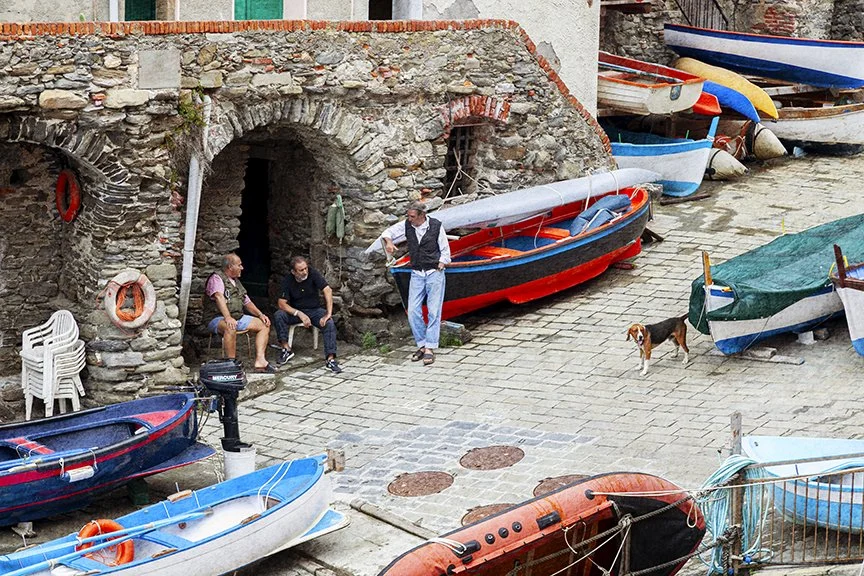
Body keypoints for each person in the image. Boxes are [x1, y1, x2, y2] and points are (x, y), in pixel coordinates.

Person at [381, 200, 451, 366]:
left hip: (434, 272)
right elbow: (387, 232)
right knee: (412, 310)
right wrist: (389, 242)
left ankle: (430, 347)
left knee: (434, 311)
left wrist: (441, 263)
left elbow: (445, 250)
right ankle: (422, 343)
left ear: (422, 215)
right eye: (408, 216)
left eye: (412, 216)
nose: (409, 219)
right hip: (417, 273)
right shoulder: (407, 225)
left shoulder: (435, 226)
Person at [203, 253, 275, 372]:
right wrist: (228, 317)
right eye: (239, 265)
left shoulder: (236, 282)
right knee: (230, 327)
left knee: (264, 324)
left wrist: (260, 314)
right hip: (217, 318)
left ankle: (260, 360)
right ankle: (232, 364)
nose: (242, 268)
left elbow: (247, 302)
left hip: (237, 317)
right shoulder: (217, 278)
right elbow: (219, 297)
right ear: (230, 267)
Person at [273, 256, 342, 374]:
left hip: (314, 310)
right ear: (293, 272)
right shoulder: (288, 280)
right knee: (279, 315)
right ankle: (286, 348)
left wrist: (328, 313)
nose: (305, 272)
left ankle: (330, 359)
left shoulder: (313, 274)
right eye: (301, 270)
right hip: (296, 311)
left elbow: (327, 290)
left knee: (329, 323)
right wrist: (299, 313)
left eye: (306, 268)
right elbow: (281, 303)